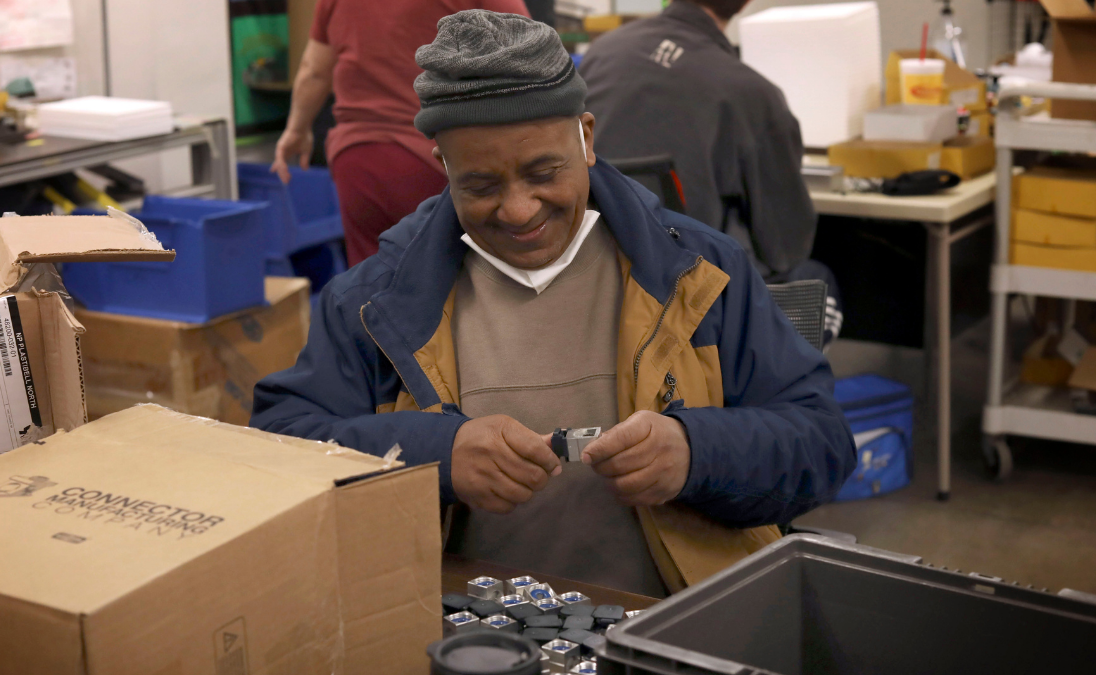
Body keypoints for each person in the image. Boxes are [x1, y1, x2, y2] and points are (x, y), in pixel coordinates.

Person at [252, 10, 855, 597]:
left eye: (545, 172)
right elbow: (277, 449)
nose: (518, 210)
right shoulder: (373, 303)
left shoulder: (701, 273)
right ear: (442, 165)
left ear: (586, 139)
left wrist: (697, 453)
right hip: (465, 633)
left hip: (672, 620)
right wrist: (435, 457)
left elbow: (821, 444)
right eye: (481, 185)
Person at [579, 0, 843, 342]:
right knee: (814, 277)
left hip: (596, 283)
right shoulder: (751, 92)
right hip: (693, 299)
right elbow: (785, 245)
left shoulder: (603, 51)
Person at [272, 0, 530, 266]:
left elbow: (314, 72)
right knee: (455, 282)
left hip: (357, 159)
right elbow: (531, 49)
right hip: (435, 157)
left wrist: (296, 130)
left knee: (370, 286)